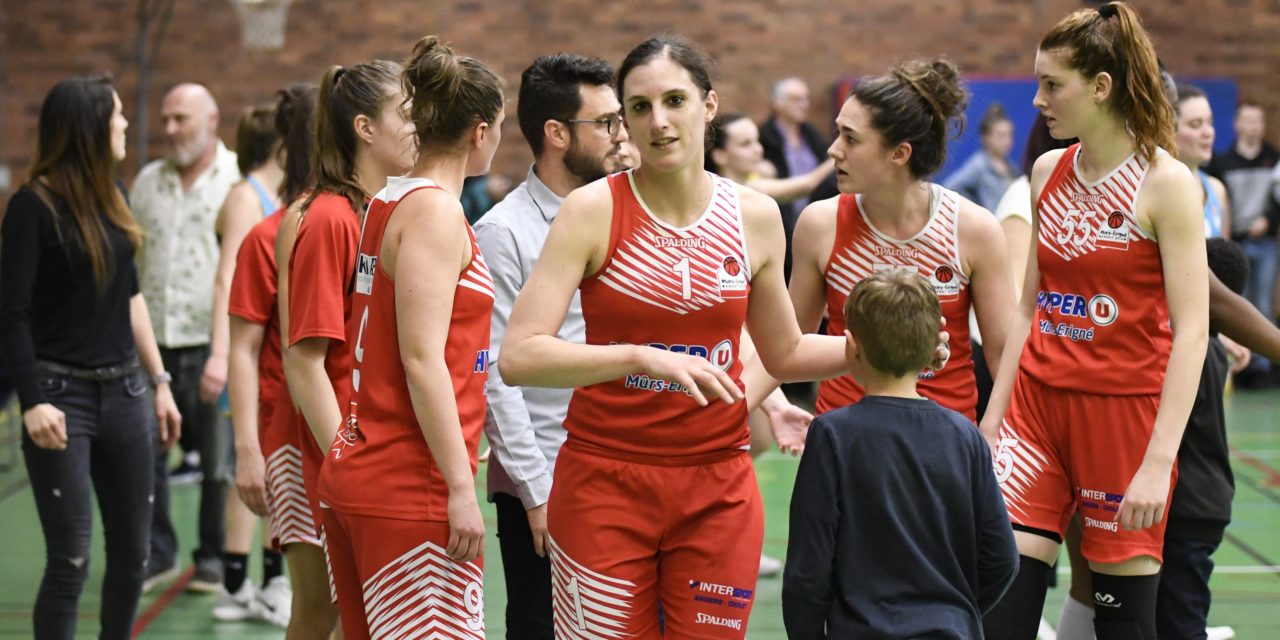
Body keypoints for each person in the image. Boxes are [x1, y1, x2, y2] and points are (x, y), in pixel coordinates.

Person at [500, 35, 850, 638]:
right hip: (605, 484)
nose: (658, 121)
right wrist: (638, 358)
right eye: (639, 107)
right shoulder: (591, 210)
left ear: (708, 106)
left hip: (718, 487)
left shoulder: (755, 216)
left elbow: (785, 352)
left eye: (674, 100)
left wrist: (872, 352)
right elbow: (519, 355)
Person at [979, 4, 1210, 639]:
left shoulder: (1166, 184)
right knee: (999, 608)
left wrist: (1159, 461)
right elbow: (1029, 307)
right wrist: (994, 419)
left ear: (1101, 87)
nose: (1037, 99)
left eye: (1052, 84)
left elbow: (1192, 332)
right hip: (1035, 414)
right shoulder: (1047, 171)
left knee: (1123, 625)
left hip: (1124, 423)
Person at [317, 36, 503, 638]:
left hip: (363, 472)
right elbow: (422, 361)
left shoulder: (387, 201)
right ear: (480, 132)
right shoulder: (435, 213)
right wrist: (458, 486)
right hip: (407, 485)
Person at [0, 74, 181, 639]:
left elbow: (130, 297)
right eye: (117, 116)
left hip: (125, 392)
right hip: (60, 397)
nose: (126, 124)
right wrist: (31, 402)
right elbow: (12, 314)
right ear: (88, 127)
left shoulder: (114, 196)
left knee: (133, 555)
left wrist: (160, 381)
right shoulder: (31, 207)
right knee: (70, 558)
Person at [475, 52, 629, 639]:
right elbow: (495, 374)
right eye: (608, 123)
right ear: (558, 134)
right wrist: (537, 495)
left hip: (624, 464)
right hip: (548, 475)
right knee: (544, 626)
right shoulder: (504, 231)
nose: (621, 137)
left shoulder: (629, 212)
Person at [783, 269, 1018, 639]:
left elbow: (807, 571)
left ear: (851, 346)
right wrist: (956, 613)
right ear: (934, 349)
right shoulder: (965, 436)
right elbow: (1002, 559)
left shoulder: (832, 435)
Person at [787, 59, 1015, 422]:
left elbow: (1004, 356)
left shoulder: (973, 229)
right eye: (837, 133)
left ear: (899, 153)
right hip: (846, 439)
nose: (833, 150)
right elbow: (787, 352)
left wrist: (991, 433)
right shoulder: (820, 223)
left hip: (944, 442)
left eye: (851, 138)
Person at [276, 59, 412, 638]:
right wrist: (345, 458)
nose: (419, 126)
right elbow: (304, 359)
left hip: (357, 443)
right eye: (406, 114)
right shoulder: (329, 217)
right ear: (364, 128)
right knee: (319, 611)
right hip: (318, 442)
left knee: (352, 612)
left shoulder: (380, 212)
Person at [131, 82, 241, 591]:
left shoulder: (235, 180)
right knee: (148, 454)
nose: (170, 129)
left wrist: (226, 349)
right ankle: (158, 553)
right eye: (167, 119)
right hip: (152, 340)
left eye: (182, 120)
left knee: (218, 462)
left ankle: (213, 557)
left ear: (212, 119)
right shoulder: (147, 182)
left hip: (209, 340)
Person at [213, 87, 311, 627]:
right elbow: (231, 288)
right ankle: (245, 581)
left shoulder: (362, 222)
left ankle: (266, 581)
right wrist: (218, 354)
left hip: (325, 425)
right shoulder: (258, 214)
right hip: (278, 404)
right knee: (248, 475)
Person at [759, 77, 839, 280]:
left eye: (806, 99)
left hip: (815, 222)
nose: (804, 105)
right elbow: (810, 181)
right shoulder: (763, 139)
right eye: (796, 99)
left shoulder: (813, 137)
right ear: (778, 103)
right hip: (781, 223)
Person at [706, 112, 834, 205]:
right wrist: (837, 155)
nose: (758, 150)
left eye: (757, 141)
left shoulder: (752, 177)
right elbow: (809, 184)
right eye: (745, 144)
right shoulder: (749, 189)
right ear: (720, 156)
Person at [944, 103, 1019, 211]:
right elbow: (950, 188)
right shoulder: (978, 165)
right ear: (986, 138)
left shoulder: (1011, 167)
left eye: (1009, 135)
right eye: (1001, 136)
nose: (1006, 141)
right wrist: (974, 211)